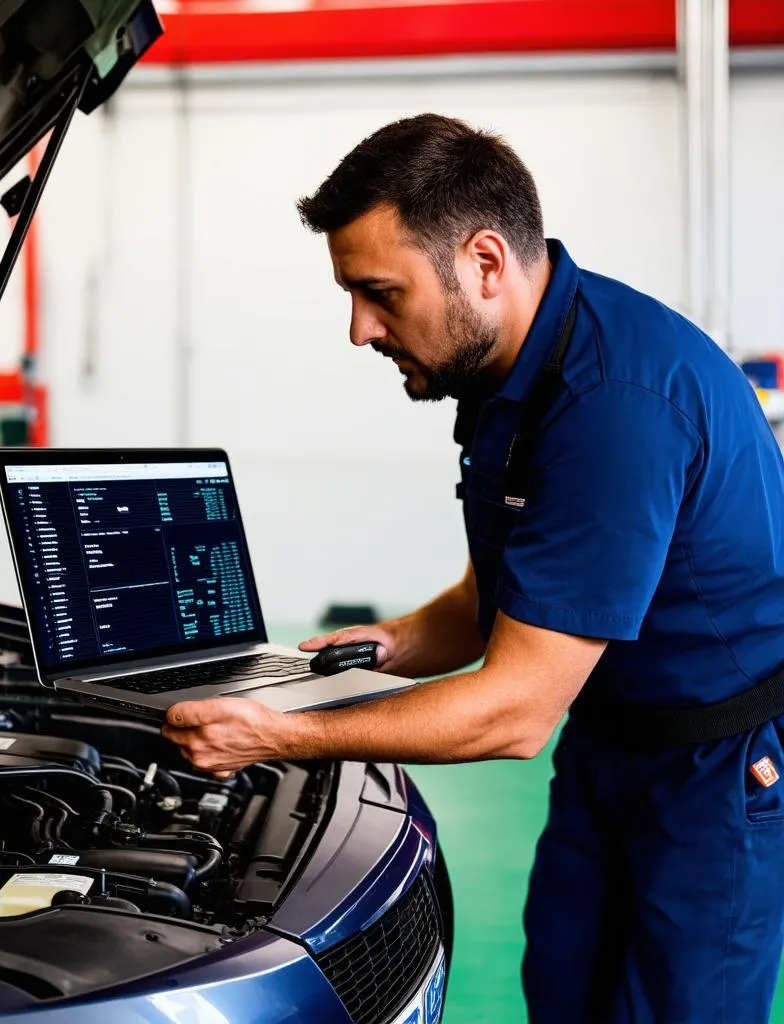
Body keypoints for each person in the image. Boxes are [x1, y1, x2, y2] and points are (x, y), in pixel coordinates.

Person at [160, 113, 784, 1022]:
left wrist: (279, 736)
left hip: (710, 775)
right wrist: (390, 644)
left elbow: (517, 712)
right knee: (564, 993)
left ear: (485, 263)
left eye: (380, 293)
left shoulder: (614, 403)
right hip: (609, 745)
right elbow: (512, 596)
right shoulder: (509, 370)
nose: (359, 329)